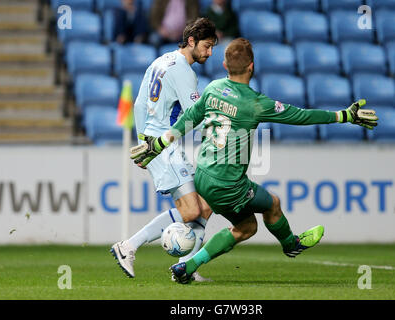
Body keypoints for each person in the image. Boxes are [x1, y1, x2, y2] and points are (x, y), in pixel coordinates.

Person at [131, 38, 379, 284]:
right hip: (229, 185)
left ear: (226, 66)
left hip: (203, 176)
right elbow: (302, 116)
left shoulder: (213, 89)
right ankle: (289, 245)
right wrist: (345, 115)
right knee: (271, 206)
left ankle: (185, 264)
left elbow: (187, 121)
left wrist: (158, 145)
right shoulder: (256, 103)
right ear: (251, 67)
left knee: (245, 224)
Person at [110, 18, 218, 282]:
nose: (209, 52)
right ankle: (128, 246)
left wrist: (142, 144)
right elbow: (195, 115)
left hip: (154, 142)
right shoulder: (184, 71)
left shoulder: (161, 60)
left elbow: (138, 103)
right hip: (165, 146)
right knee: (193, 210)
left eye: (213, 47)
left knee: (205, 205)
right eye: (206, 46)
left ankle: (184, 269)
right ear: (191, 41)